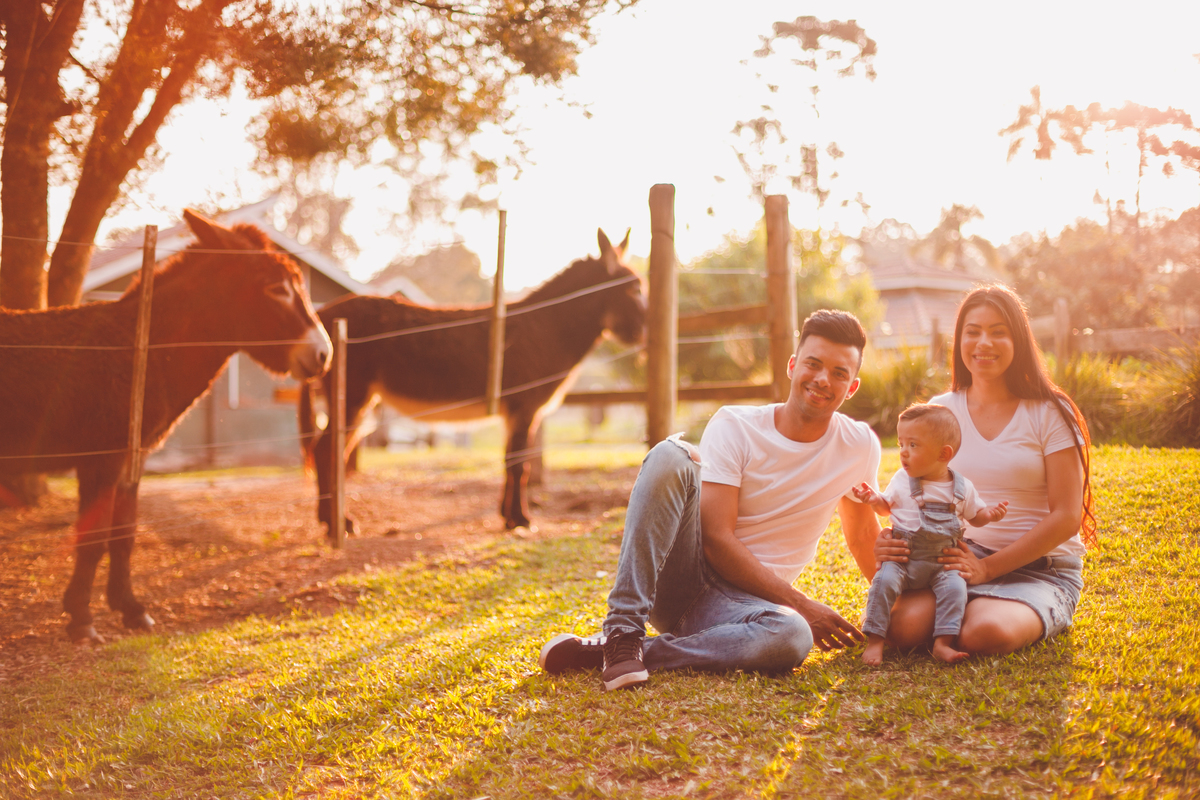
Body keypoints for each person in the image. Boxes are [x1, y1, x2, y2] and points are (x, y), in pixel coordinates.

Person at [539, 309, 883, 691]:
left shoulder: (859, 446)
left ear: (852, 386)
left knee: (792, 635)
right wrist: (803, 603)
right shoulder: (735, 425)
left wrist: (896, 615)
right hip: (684, 582)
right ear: (792, 365)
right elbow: (717, 540)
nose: (822, 380)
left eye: (839, 373)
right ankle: (623, 631)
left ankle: (633, 652)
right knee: (672, 455)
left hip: (746, 612)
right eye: (813, 364)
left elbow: (864, 535)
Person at [877, 284, 1097, 655]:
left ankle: (992, 607)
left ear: (1019, 341)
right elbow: (916, 490)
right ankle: (968, 604)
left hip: (1043, 568)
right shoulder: (941, 411)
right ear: (959, 340)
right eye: (972, 332)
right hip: (960, 559)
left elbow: (1066, 516)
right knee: (902, 627)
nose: (983, 343)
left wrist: (989, 570)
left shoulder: (1051, 411)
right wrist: (891, 535)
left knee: (984, 632)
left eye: (998, 332)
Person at [852, 404, 1008, 666]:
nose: (903, 452)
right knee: (883, 583)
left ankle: (942, 643)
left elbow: (975, 516)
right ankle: (875, 642)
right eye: (901, 443)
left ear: (943, 453)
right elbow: (885, 507)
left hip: (942, 563)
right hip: (903, 560)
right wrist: (873, 499)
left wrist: (989, 515)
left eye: (913, 445)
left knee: (956, 589)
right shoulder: (902, 480)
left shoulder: (962, 487)